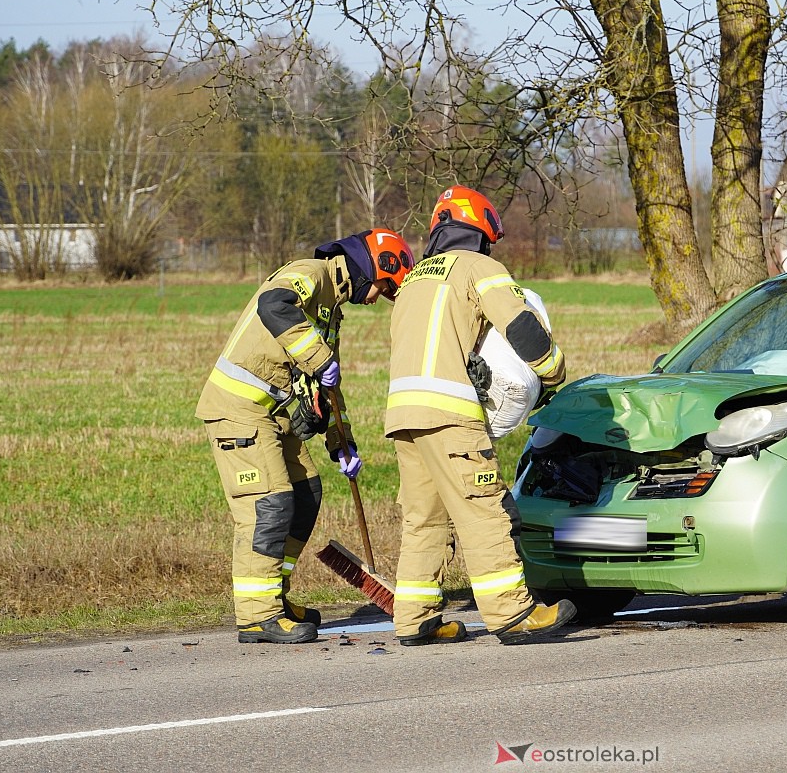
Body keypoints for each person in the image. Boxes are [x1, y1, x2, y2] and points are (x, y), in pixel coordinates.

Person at [196, 229, 415, 644]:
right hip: (239, 411)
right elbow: (273, 304)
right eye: (384, 289)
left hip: (272, 416)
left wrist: (342, 446)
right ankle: (258, 615)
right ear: (375, 268)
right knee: (270, 505)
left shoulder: (330, 308)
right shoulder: (310, 274)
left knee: (307, 493)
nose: (376, 300)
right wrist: (318, 357)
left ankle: (274, 597)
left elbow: (328, 387)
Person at [385, 185, 575, 646]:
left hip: (404, 415)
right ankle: (512, 614)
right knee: (483, 511)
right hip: (451, 414)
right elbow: (521, 325)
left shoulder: (413, 279)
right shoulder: (479, 267)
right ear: (481, 231)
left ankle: (415, 618)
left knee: (423, 519)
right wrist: (553, 372)